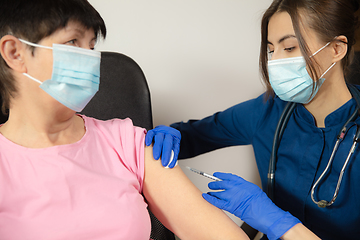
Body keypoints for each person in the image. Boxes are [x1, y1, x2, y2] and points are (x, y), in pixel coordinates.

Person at [0, 1, 252, 239]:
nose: (89, 59)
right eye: (72, 41)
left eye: (90, 46)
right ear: (15, 52)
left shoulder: (126, 142)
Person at [146, 0, 360, 239]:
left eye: (289, 48)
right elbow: (194, 136)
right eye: (270, 50)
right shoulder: (268, 111)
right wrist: (168, 136)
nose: (275, 61)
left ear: (337, 49)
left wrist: (272, 219)